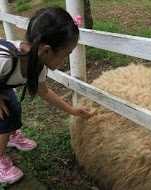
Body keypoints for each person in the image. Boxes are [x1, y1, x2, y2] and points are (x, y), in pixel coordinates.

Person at [0, 6, 90, 184]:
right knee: (3, 118)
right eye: (66, 54)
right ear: (46, 50)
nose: (65, 61)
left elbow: (45, 92)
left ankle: (11, 136)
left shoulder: (37, 63)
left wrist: (72, 110)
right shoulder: (5, 61)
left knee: (13, 108)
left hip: (3, 82)